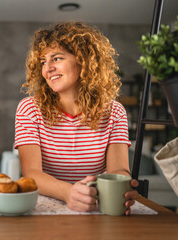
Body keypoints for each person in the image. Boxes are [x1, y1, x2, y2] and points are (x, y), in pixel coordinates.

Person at [14, 22, 138, 215]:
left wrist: (122, 188)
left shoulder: (115, 112)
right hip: (45, 208)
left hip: (96, 205)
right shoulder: (29, 109)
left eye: (56, 58)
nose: (48, 69)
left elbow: (119, 170)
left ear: (84, 60)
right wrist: (69, 193)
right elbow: (32, 174)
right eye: (43, 62)